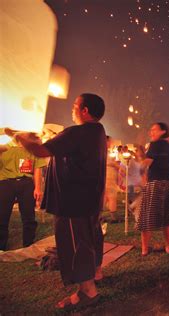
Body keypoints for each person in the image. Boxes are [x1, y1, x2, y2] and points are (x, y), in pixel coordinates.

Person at [8, 93, 106, 310]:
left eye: (75, 106)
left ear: (85, 110)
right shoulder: (98, 131)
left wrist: (17, 135)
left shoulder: (78, 132)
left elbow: (40, 150)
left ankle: (88, 291)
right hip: (88, 200)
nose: (72, 109)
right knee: (86, 241)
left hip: (72, 203)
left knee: (74, 245)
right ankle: (90, 280)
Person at [138, 122, 169, 256]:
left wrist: (140, 169)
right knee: (168, 216)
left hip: (156, 183)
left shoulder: (155, 145)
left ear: (163, 131)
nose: (151, 132)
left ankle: (144, 248)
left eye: (154, 130)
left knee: (147, 216)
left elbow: (146, 164)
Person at [0, 139, 47, 250]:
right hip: (5, 183)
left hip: (26, 183)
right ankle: (1, 246)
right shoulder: (4, 146)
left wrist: (38, 188)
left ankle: (28, 244)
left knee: (28, 216)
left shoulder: (33, 147)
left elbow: (37, 168)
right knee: (2, 216)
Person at [104, 136, 120, 222]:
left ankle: (97, 216)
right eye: (109, 141)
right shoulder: (102, 151)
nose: (111, 143)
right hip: (108, 177)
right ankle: (113, 217)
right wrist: (118, 166)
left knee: (106, 196)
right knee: (111, 196)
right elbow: (109, 163)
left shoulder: (106, 152)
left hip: (108, 176)